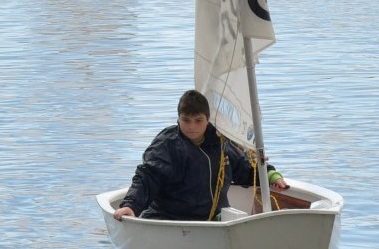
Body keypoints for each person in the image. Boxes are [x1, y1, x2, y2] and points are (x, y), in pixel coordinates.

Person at [114, 90, 289, 222]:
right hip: (171, 220)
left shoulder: (221, 143)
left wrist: (270, 174)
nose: (192, 127)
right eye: (186, 120)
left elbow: (245, 170)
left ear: (208, 119)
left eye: (198, 121)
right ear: (178, 118)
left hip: (214, 222)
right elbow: (147, 177)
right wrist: (131, 205)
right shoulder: (167, 145)